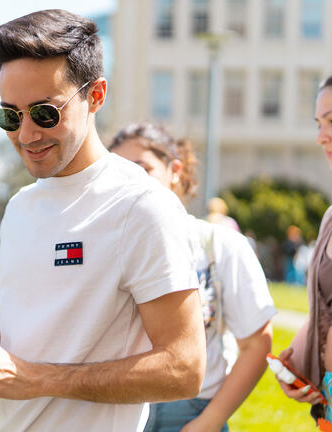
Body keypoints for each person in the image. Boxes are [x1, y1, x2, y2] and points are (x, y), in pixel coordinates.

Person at [0, 10, 205, 431]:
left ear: (95, 96)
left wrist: (36, 379)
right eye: (9, 116)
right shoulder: (19, 207)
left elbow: (184, 368)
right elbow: (37, 333)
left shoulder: (142, 207)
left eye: (46, 113)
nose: (26, 134)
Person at [110, 122, 276, 432]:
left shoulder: (220, 244)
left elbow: (257, 343)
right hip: (115, 414)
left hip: (191, 415)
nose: (129, 182)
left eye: (142, 168)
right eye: (117, 172)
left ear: (174, 170)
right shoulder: (101, 250)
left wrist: (208, 423)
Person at [276, 73, 332, 429]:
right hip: (330, 398)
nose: (321, 137)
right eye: (319, 123)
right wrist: (296, 364)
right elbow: (324, 307)